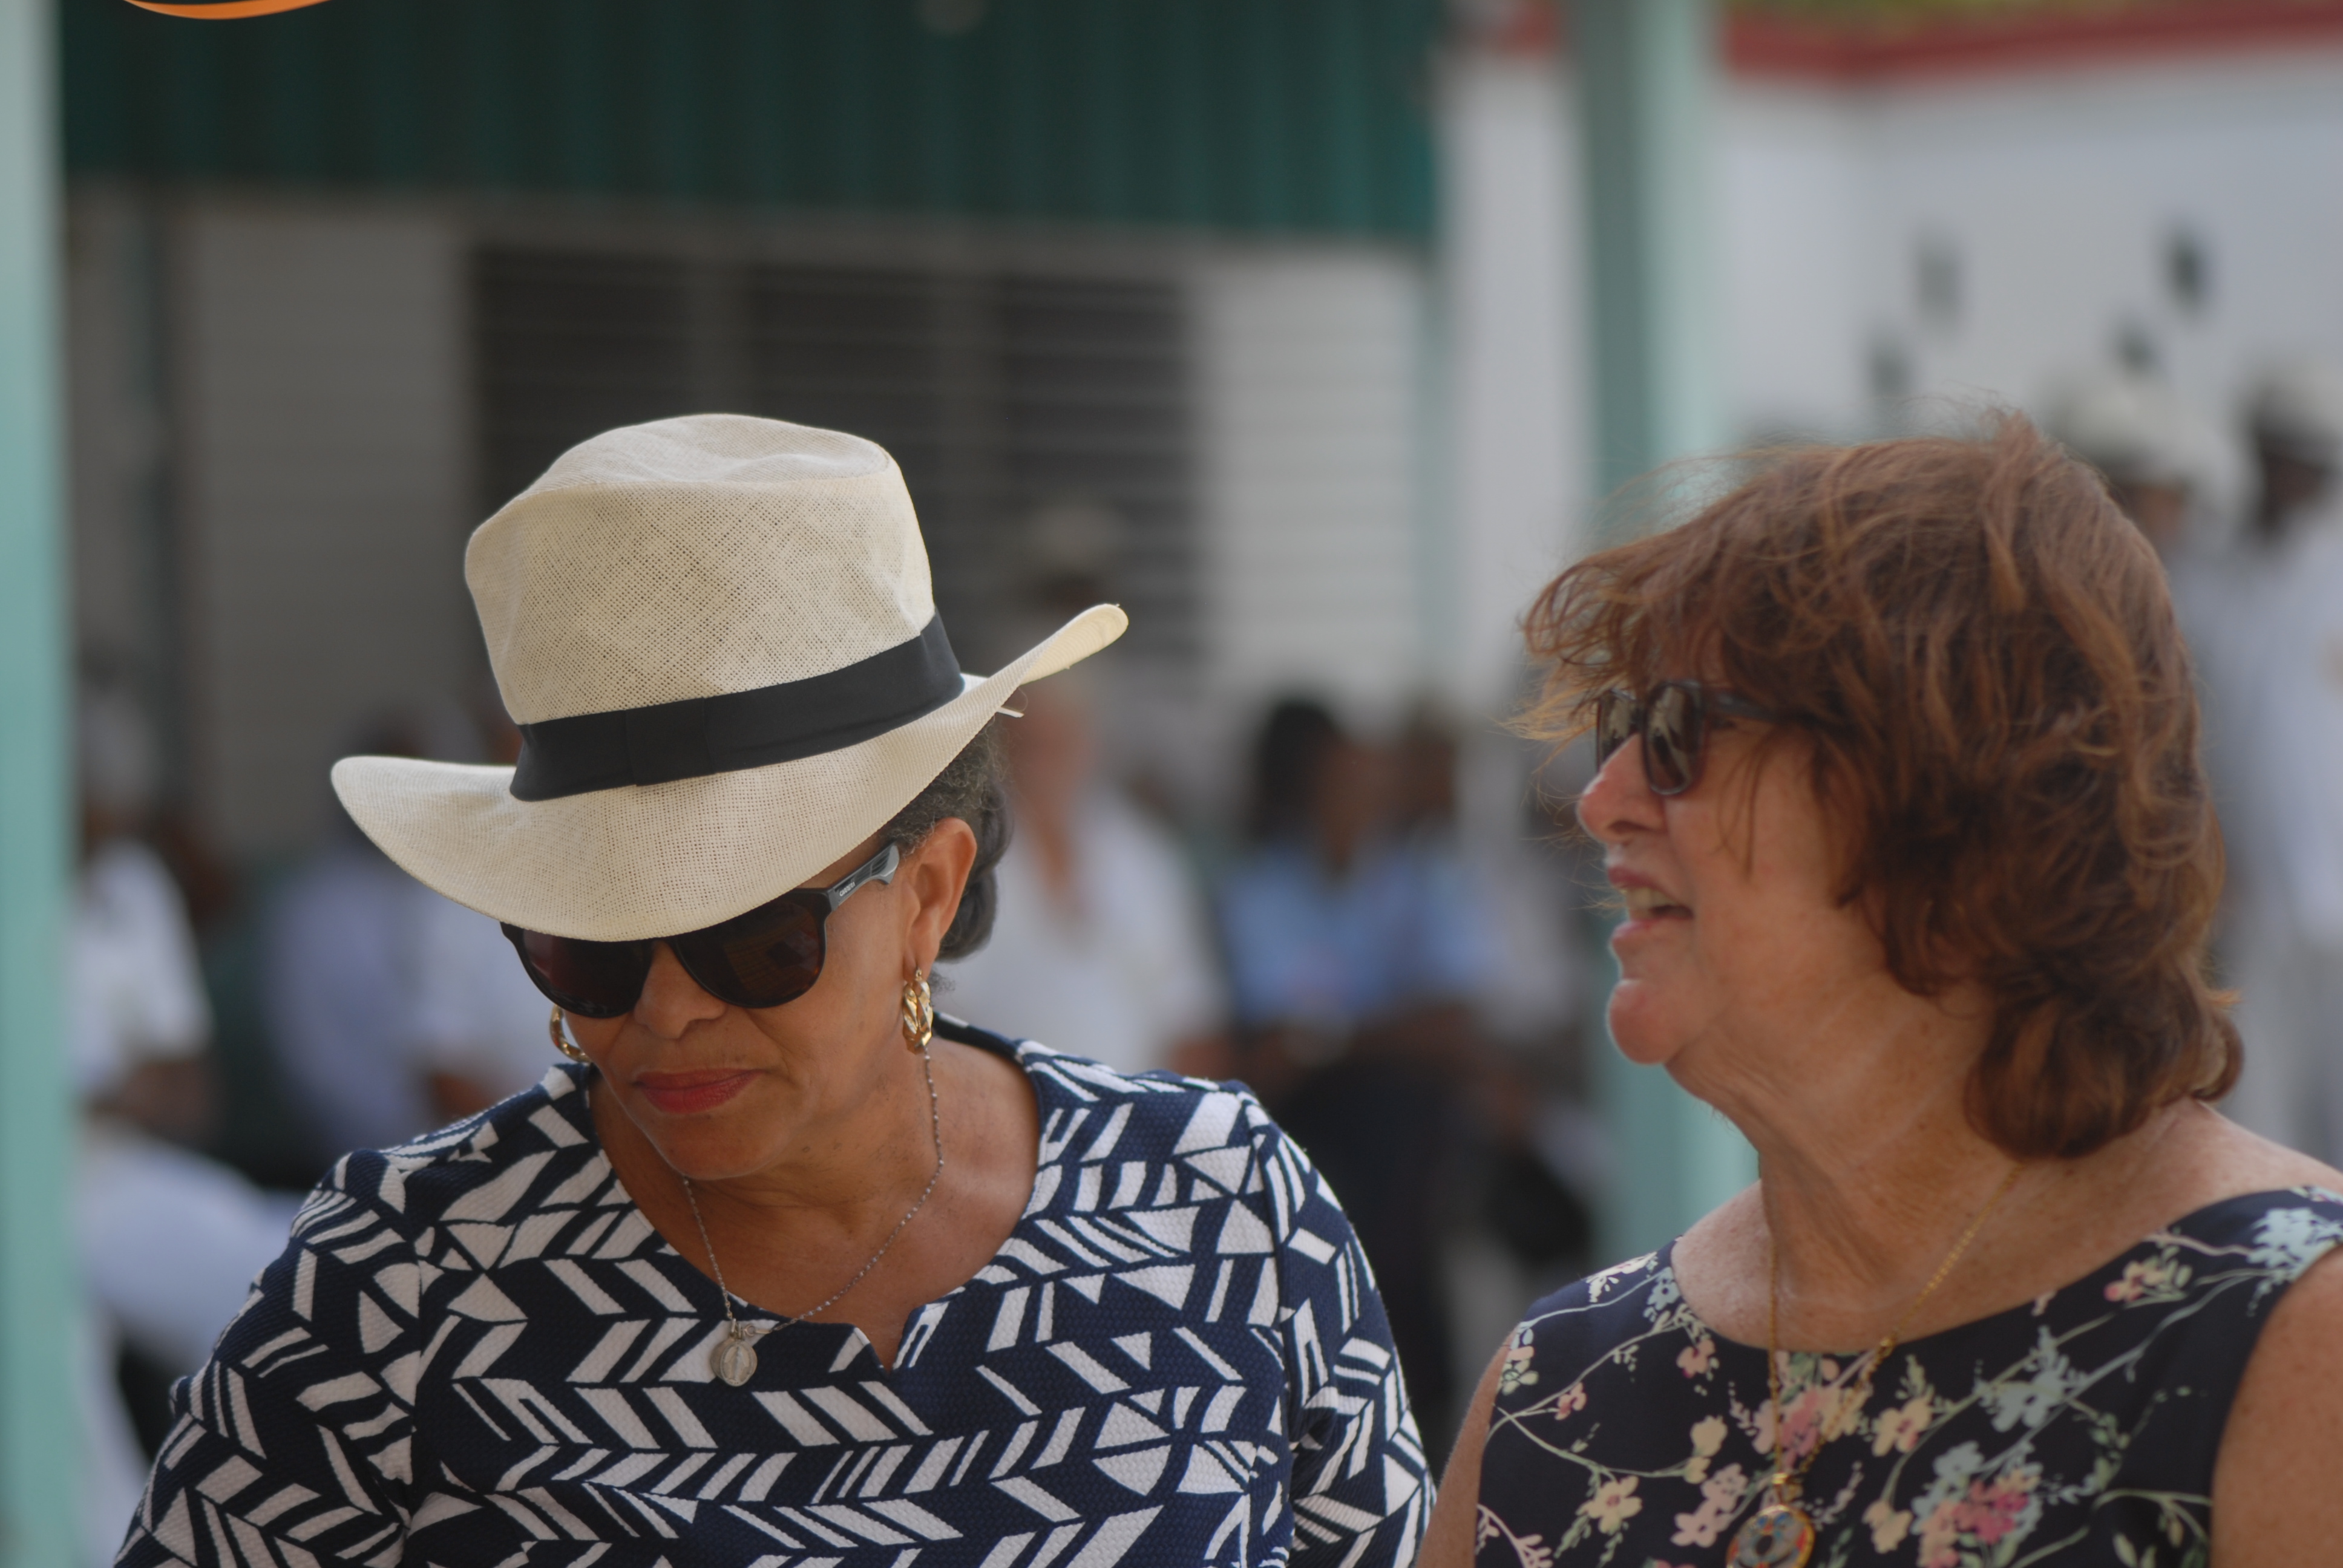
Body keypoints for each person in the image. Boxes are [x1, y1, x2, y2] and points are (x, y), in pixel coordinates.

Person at [119, 414, 1427, 1566]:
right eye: (591, 946)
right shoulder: (405, 1281)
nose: (667, 1011)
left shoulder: (1220, 1209)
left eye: (754, 938)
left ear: (926, 896)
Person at [1425, 417, 2343, 1566]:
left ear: (1950, 799)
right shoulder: (1559, 1393)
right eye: (1620, 724)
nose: (1601, 799)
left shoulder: (2290, 1339)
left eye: (1678, 729)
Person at [72, 683, 293, 1564]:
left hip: (110, 1172)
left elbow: (188, 1089)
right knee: (58, 1365)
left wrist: (110, 1096)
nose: (106, 831)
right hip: (36, 1188)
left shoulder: (128, 883)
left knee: (295, 1275)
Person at [935, 668, 1226, 1076]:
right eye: (1029, 741)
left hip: (1130, 1101)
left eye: (1059, 738)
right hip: (992, 1097)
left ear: (1090, 742)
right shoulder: (967, 850)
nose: (1042, 760)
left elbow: (1191, 1015)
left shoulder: (1143, 853)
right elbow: (941, 1010)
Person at [2197, 360, 2343, 1161]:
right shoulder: (2203, 580)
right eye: (2287, 456)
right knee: (2262, 1121)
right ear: (2258, 453)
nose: (2299, 478)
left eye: (2313, 463)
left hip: (2337, 901)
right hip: (2248, 910)